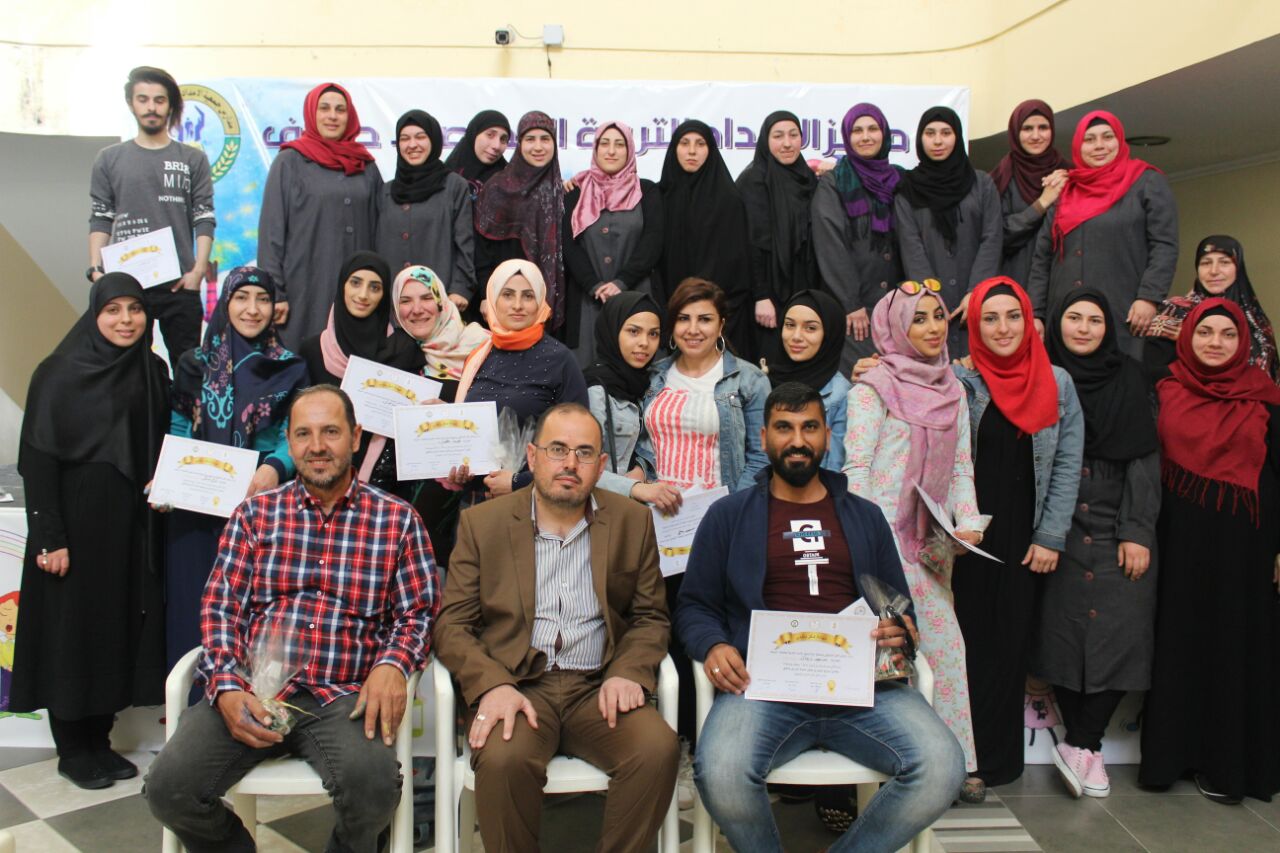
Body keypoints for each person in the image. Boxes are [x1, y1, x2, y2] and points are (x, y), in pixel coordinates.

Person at [144, 385, 440, 852]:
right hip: (252, 688)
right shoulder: (254, 515)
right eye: (304, 434)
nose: (317, 446)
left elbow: (417, 612)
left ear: (355, 437)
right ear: (289, 441)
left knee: (373, 789)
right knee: (168, 789)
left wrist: (393, 665)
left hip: (344, 696)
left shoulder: (398, 520)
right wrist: (226, 686)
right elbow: (221, 606)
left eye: (331, 432)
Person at [678, 382, 966, 853]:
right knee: (722, 774)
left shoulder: (865, 516)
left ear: (828, 436)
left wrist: (899, 628)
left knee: (943, 768)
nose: (798, 441)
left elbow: (898, 606)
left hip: (864, 689)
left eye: (810, 427)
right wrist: (714, 644)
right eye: (784, 428)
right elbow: (694, 605)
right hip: (762, 688)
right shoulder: (728, 516)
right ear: (764, 437)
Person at [433, 402, 678, 852]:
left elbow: (650, 616)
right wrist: (492, 685)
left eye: (584, 453)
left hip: (598, 686)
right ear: (532, 456)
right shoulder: (483, 524)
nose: (570, 464)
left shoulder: (632, 520)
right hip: (518, 685)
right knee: (503, 760)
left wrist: (628, 672)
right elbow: (453, 625)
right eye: (558, 449)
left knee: (657, 750)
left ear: (601, 465)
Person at [10, 273, 169, 789]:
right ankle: (73, 749)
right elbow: (37, 458)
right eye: (113, 310)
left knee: (114, 629)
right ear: (95, 314)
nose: (126, 320)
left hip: (128, 529)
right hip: (74, 528)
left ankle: (100, 739)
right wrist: (49, 537)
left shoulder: (151, 370)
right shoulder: (58, 372)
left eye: (135, 309)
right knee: (70, 631)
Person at [1139, 298, 1280, 805]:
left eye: (1226, 334)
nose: (1214, 342)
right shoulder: (1163, 389)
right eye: (1205, 332)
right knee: (1179, 643)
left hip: (1247, 550)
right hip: (1178, 542)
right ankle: (1171, 758)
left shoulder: (1266, 397)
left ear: (1243, 342)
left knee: (1234, 647)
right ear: (1187, 336)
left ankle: (1227, 765)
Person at [843, 280, 984, 783]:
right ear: (895, 326)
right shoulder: (872, 387)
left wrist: (969, 523)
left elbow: (961, 467)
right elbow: (856, 472)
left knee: (946, 651)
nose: (931, 327)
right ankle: (893, 767)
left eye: (938, 316)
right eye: (917, 318)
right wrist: (868, 547)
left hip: (932, 547)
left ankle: (957, 766)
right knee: (888, 659)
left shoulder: (954, 390)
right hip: (883, 544)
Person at [950, 276, 1084, 797]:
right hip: (965, 538)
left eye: (1012, 316)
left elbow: (1067, 463)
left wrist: (1050, 536)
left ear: (1029, 321)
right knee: (964, 648)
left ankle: (994, 762)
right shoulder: (959, 381)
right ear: (975, 326)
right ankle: (956, 761)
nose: (1002, 328)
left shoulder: (1058, 382)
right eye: (990, 318)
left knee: (1008, 647)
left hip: (1024, 539)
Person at [1035, 288, 1160, 799]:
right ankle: (1086, 749)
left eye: (1094, 320)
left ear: (1109, 327)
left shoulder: (1131, 377)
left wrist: (1136, 530)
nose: (1084, 328)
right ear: (1057, 324)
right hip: (1055, 519)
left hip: (1116, 517)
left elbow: (1146, 459)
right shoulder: (1039, 373)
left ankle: (1081, 743)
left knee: (1124, 631)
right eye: (1073, 317)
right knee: (1059, 631)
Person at [165, 266, 309, 669]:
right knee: (195, 608)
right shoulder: (193, 363)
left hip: (263, 504)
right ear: (225, 304)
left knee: (257, 610)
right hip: (197, 509)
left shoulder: (291, 366)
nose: (252, 309)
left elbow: (297, 432)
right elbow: (180, 426)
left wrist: (275, 467)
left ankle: (255, 697)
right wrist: (171, 479)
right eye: (242, 298)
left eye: (262, 299)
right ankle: (193, 699)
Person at [1026, 110, 1178, 359]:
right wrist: (1036, 313)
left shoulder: (1146, 182)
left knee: (1120, 376)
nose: (1099, 145)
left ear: (1120, 140)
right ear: (1078, 146)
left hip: (1122, 311)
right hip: (1063, 315)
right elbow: (1042, 258)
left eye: (1107, 137)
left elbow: (1164, 245)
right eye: (1089, 139)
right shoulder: (1066, 189)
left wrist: (1149, 297)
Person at [88, 66, 215, 362]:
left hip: (180, 284)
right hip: (127, 284)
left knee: (188, 367)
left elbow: (204, 217)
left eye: (159, 100)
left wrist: (197, 271)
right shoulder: (109, 158)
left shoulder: (192, 159)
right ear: (131, 104)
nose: (151, 107)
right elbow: (101, 216)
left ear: (170, 105)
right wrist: (95, 269)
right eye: (143, 99)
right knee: (126, 367)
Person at [450, 260, 589, 500]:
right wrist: (461, 471)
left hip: (537, 503)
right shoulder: (478, 357)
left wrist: (518, 482)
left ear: (540, 301)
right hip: (478, 503)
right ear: (493, 300)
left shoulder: (560, 360)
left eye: (528, 296)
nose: (517, 305)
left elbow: (581, 445)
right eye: (507, 295)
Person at [257, 82, 381, 350]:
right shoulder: (289, 161)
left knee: (351, 359)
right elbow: (271, 233)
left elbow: (379, 230)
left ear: (350, 116)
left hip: (357, 293)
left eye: (340, 109)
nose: (332, 116)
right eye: (324, 108)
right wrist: (275, 293)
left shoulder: (366, 166)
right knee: (304, 358)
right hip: (304, 286)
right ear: (312, 113)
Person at [296, 253, 428, 495]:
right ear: (342, 286)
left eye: (375, 287)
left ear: (384, 296)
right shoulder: (313, 350)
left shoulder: (402, 348)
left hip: (387, 485)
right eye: (355, 283)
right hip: (320, 477)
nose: (363, 295)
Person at [895, 106, 1002, 358]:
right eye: (930, 133)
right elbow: (910, 245)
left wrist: (975, 292)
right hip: (929, 306)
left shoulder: (981, 184)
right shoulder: (907, 188)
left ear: (957, 137)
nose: (938, 141)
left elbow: (992, 238)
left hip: (976, 299)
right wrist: (931, 299)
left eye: (946, 133)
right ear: (920, 138)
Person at [812, 103, 905, 371]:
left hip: (897, 309)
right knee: (860, 381)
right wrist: (851, 303)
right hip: (855, 311)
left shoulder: (900, 179)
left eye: (872, 129)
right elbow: (830, 244)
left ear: (884, 134)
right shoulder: (834, 182)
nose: (865, 137)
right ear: (847, 137)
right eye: (857, 130)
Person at [563, 121, 664, 366]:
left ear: (629, 150)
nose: (611, 151)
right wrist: (594, 285)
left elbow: (653, 241)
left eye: (619, 144)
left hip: (637, 292)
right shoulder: (575, 191)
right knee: (588, 370)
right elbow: (568, 245)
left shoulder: (647, 191)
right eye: (604, 144)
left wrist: (622, 282)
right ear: (595, 149)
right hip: (588, 300)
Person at [657, 120, 753, 355]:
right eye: (684, 143)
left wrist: (703, 306)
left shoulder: (729, 200)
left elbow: (736, 264)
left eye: (700, 144)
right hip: (668, 311)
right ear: (674, 149)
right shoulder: (659, 196)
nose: (692, 151)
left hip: (717, 313)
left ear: (710, 150)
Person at [583, 291, 683, 510]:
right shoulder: (596, 390)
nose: (644, 343)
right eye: (633, 331)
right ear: (612, 330)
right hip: (597, 510)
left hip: (629, 510)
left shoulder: (646, 383)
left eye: (653, 334)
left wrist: (641, 468)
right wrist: (636, 488)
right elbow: (581, 467)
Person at [736, 111, 820, 362]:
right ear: (765, 140)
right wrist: (761, 296)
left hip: (804, 284)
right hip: (769, 292)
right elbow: (751, 243)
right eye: (778, 136)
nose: (787, 143)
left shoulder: (808, 178)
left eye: (793, 135)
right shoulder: (753, 180)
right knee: (771, 361)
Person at [473, 111, 566, 329]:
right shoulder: (496, 188)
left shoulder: (561, 192)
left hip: (548, 302)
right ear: (520, 144)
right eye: (530, 139)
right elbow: (482, 252)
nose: (538, 147)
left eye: (545, 139)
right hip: (503, 302)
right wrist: (485, 294)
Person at [376, 110, 477, 309]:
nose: (412, 144)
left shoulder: (454, 186)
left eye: (420, 137)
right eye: (405, 138)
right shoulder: (386, 191)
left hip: (440, 301)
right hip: (393, 303)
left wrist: (460, 288)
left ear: (434, 140)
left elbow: (465, 243)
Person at [1145, 235, 1278, 382]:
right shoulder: (1174, 312)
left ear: (1238, 268)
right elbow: (1153, 373)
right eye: (1206, 263)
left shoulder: (1256, 319)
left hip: (1252, 395)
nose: (1214, 271)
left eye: (1224, 262)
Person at [988, 99, 1070, 286]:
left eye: (1043, 127)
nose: (1036, 136)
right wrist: (1041, 204)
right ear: (1015, 132)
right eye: (1027, 128)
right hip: (1014, 279)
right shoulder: (1001, 177)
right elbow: (997, 234)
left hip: (1059, 279)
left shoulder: (1067, 174)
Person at [767, 289, 850, 470]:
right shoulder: (762, 382)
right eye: (790, 325)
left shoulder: (841, 393)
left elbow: (835, 467)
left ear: (829, 334)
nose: (796, 336)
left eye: (810, 328)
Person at [444, 109, 511, 199]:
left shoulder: (511, 181)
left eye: (503, 139)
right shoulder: (442, 178)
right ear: (474, 134)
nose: (497, 146)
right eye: (490, 135)